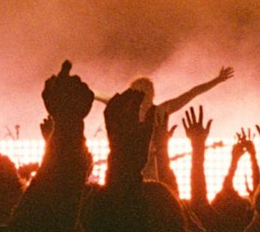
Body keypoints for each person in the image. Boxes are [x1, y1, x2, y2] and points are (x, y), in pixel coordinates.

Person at [96, 64, 234, 179]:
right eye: (139, 91)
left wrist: (217, 80)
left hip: (153, 163)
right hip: (131, 163)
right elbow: (100, 97)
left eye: (146, 91)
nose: (143, 95)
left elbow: (192, 93)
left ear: (152, 93)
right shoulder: (128, 110)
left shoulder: (160, 111)